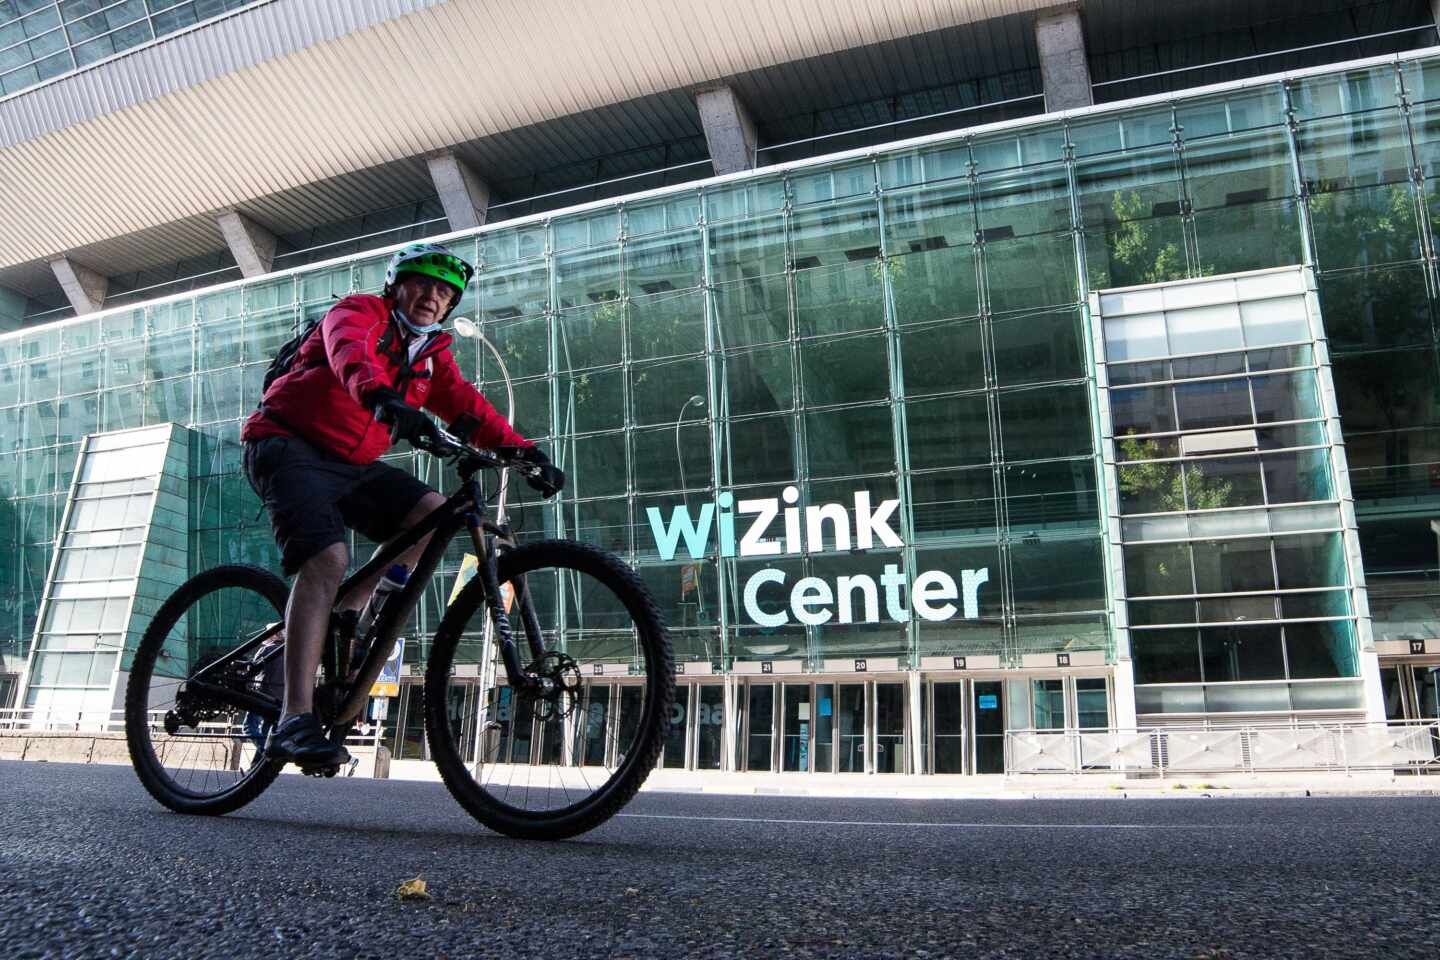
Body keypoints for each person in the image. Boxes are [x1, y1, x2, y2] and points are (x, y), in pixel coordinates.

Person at [240, 242, 563, 768]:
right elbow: (351, 355)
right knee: (327, 559)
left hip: (351, 462)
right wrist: (382, 398)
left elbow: (467, 408)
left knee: (431, 513)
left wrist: (524, 453)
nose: (432, 297)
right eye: (422, 284)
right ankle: (294, 717)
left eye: (444, 291)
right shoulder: (359, 312)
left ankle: (349, 608)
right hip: (286, 443)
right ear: (396, 286)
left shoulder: (430, 357)